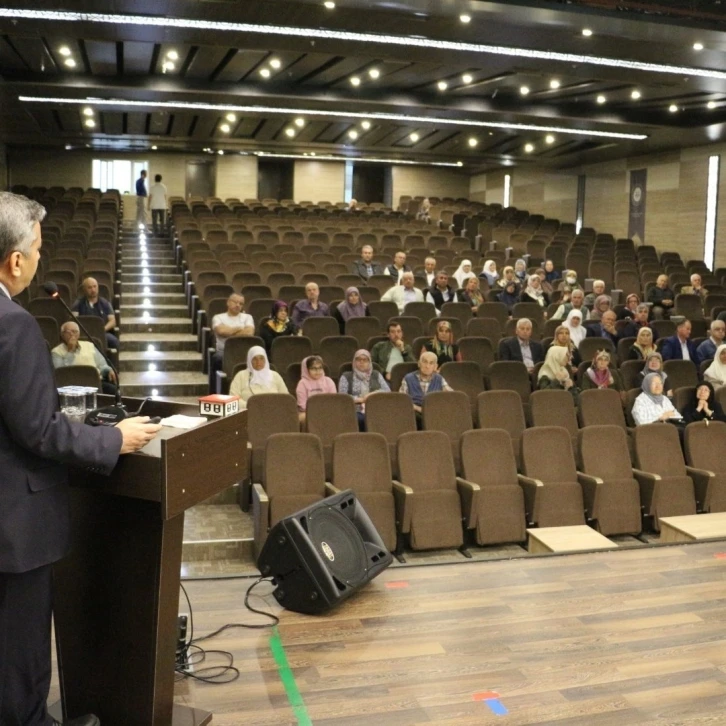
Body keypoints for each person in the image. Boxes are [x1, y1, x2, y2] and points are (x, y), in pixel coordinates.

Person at [0, 191, 160, 726]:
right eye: (38, 249)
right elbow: (39, 431)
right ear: (15, 260)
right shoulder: (13, 325)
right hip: (13, 531)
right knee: (18, 668)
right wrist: (114, 440)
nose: (41, 259)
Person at [52, 321, 118, 396]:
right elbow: (61, 374)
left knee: (115, 392)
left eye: (74, 331)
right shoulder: (56, 352)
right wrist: (70, 351)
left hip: (96, 383)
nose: (71, 334)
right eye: (68, 332)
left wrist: (108, 370)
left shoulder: (89, 345)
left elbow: (102, 365)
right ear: (62, 335)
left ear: (78, 334)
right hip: (72, 387)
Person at [209, 293, 255, 391]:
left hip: (244, 351)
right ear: (228, 302)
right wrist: (240, 328)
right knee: (217, 358)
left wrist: (229, 332)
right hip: (224, 352)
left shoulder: (247, 317)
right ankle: (214, 393)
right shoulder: (218, 317)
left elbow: (249, 333)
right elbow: (221, 331)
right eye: (235, 302)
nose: (238, 305)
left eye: (241, 303)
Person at [338, 349, 390, 430]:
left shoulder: (376, 374)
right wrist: (360, 399)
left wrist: (371, 395)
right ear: (354, 361)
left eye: (365, 360)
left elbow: (387, 391)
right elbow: (342, 397)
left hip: (376, 407)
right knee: (361, 419)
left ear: (369, 362)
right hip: (355, 409)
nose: (361, 362)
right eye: (358, 359)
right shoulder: (346, 376)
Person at [400, 351, 452, 427]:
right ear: (419, 363)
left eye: (431, 363)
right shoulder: (408, 378)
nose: (427, 366)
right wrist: (419, 409)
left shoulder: (439, 379)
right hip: (414, 414)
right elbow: (402, 400)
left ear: (435, 367)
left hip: (434, 413)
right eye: (425, 362)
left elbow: (451, 396)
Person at [72, 275, 119, 350]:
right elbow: (74, 321)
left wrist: (102, 329)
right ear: (84, 289)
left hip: (102, 333)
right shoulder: (78, 304)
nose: (93, 290)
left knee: (114, 342)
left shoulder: (105, 303)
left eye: (95, 286)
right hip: (84, 334)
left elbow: (112, 321)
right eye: (89, 287)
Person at [296, 355, 336, 424]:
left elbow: (333, 400)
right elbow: (302, 405)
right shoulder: (302, 383)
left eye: (320, 368)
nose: (318, 371)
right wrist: (318, 411)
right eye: (313, 368)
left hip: (327, 411)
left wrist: (324, 410)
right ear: (306, 369)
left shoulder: (329, 381)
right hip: (307, 412)